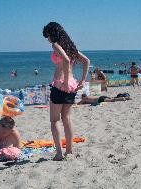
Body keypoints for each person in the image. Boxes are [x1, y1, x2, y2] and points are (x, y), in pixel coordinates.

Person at [43, 22, 90, 161]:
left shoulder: (56, 45)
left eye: (48, 36)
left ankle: (59, 153)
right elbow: (86, 61)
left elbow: (65, 59)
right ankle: (69, 151)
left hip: (60, 85)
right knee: (67, 119)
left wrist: (63, 81)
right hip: (72, 86)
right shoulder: (70, 47)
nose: (48, 40)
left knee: (54, 121)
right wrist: (82, 80)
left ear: (53, 34)